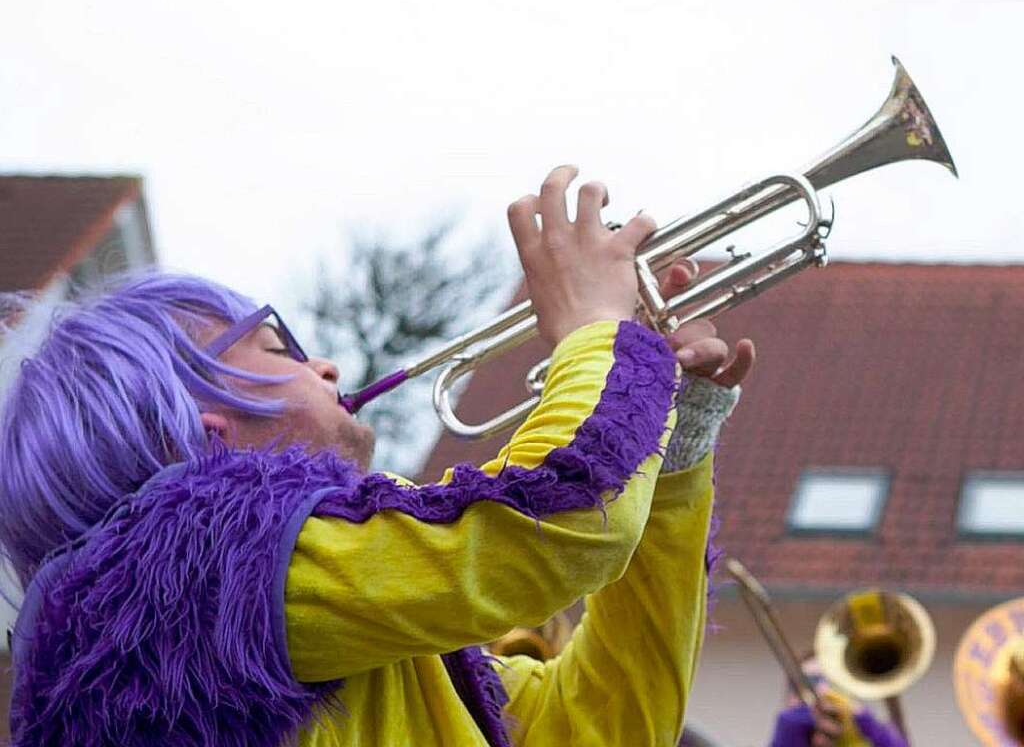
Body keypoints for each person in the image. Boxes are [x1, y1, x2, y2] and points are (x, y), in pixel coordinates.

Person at [1, 165, 754, 746]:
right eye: (277, 346)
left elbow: (608, 726)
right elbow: (558, 522)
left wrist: (678, 441)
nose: (324, 366)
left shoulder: (302, 594)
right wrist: (595, 328)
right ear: (202, 422)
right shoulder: (181, 573)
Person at [768, 656, 908, 747]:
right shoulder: (789, 724)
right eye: (811, 681)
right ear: (790, 697)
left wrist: (864, 721)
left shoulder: (868, 729)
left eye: (832, 683)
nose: (822, 690)